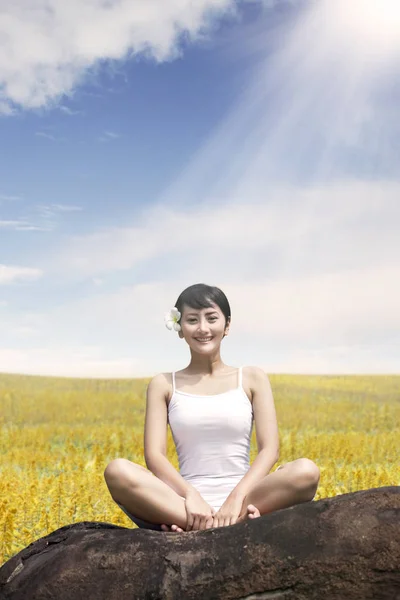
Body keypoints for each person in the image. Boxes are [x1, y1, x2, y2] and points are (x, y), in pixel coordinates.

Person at [104, 283, 320, 533]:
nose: (203, 328)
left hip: (247, 496)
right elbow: (154, 456)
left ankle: (224, 521)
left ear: (227, 326)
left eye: (212, 318)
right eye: (192, 320)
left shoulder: (252, 378)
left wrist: (236, 497)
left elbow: (270, 450)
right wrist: (190, 496)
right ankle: (218, 524)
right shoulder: (163, 384)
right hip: (184, 503)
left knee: (306, 471)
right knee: (117, 471)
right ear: (180, 329)